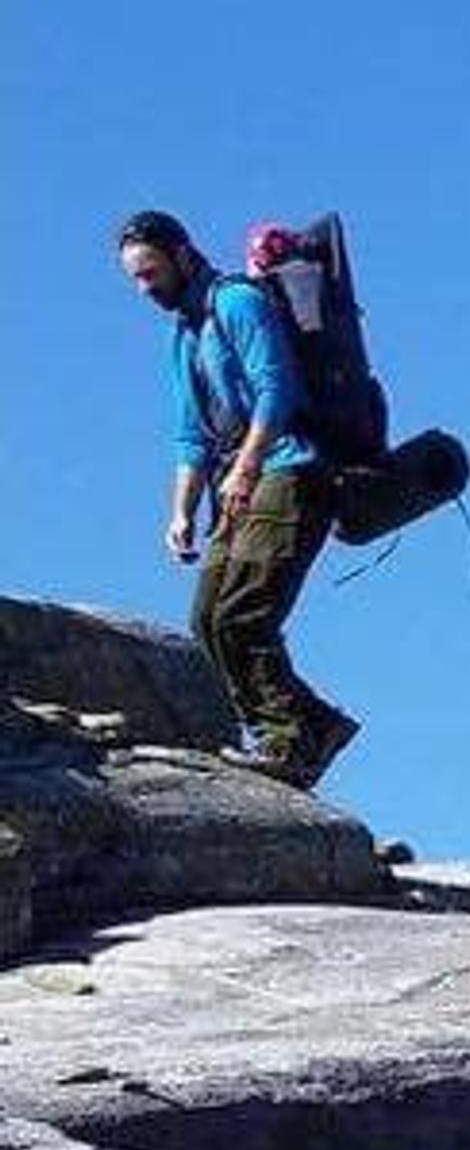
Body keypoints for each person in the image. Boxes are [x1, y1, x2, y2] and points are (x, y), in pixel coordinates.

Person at [115, 209, 355, 786]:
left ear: (181, 253)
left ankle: (289, 737)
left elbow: (277, 389)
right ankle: (308, 724)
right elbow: (190, 435)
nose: (146, 289)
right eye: (137, 280)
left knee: (243, 613)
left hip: (290, 469)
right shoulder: (186, 334)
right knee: (207, 620)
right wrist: (181, 511)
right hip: (241, 483)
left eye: (151, 273)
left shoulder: (236, 304)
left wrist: (245, 470)